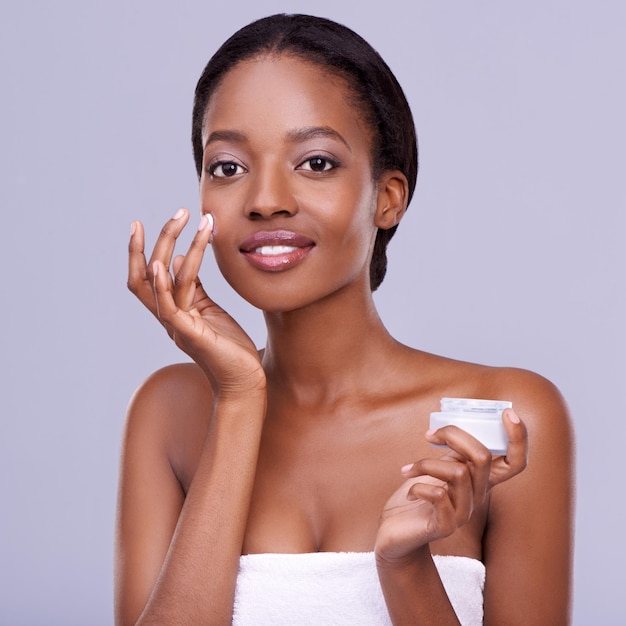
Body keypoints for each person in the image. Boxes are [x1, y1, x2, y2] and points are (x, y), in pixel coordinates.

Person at [116, 13, 574, 626]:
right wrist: (239, 400)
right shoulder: (171, 415)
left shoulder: (499, 419)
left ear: (387, 198)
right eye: (228, 167)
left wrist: (407, 568)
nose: (265, 199)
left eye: (316, 163)